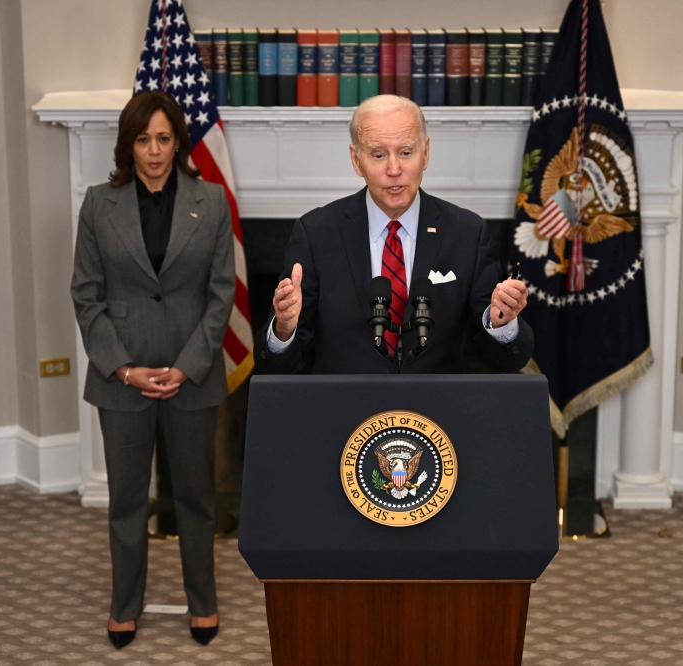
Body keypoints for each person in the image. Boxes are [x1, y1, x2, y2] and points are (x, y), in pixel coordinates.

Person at [71, 91, 234, 650]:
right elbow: (86, 296)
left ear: (178, 142)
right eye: (143, 139)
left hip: (193, 376)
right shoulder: (99, 204)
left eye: (164, 138)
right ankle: (124, 606)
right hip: (123, 381)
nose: (155, 150)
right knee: (127, 502)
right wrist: (123, 369)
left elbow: (221, 296)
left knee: (196, 498)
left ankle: (203, 602)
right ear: (128, 145)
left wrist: (186, 368)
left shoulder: (211, 201)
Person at [253, 94, 533, 374]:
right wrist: (283, 330)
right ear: (356, 160)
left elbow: (506, 360)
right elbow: (278, 366)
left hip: (437, 402)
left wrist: (502, 324)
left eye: (406, 153)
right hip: (346, 401)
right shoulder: (316, 233)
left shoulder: (467, 234)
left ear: (425, 153)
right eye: (378, 155)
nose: (394, 169)